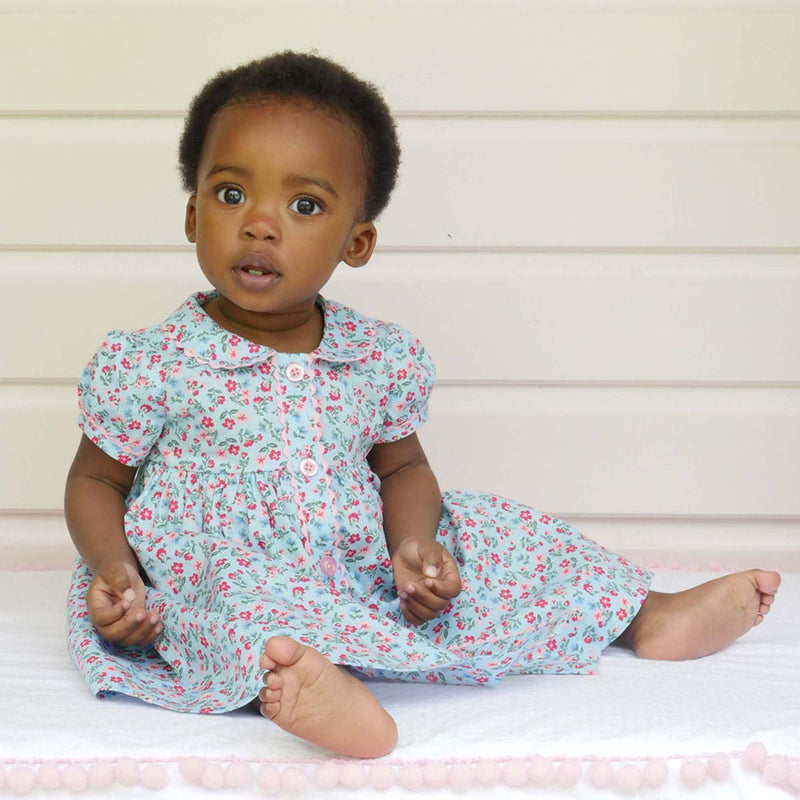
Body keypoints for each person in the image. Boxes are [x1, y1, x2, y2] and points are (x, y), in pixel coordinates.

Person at [64, 51, 780, 759]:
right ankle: (308, 684)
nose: (260, 224)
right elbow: (97, 480)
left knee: (497, 532)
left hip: (360, 566)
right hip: (219, 574)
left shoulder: (375, 357)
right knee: (244, 609)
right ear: (193, 216)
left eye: (305, 205)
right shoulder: (153, 362)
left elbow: (404, 468)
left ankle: (644, 615)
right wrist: (113, 570)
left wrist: (414, 547)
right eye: (229, 195)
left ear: (358, 241)